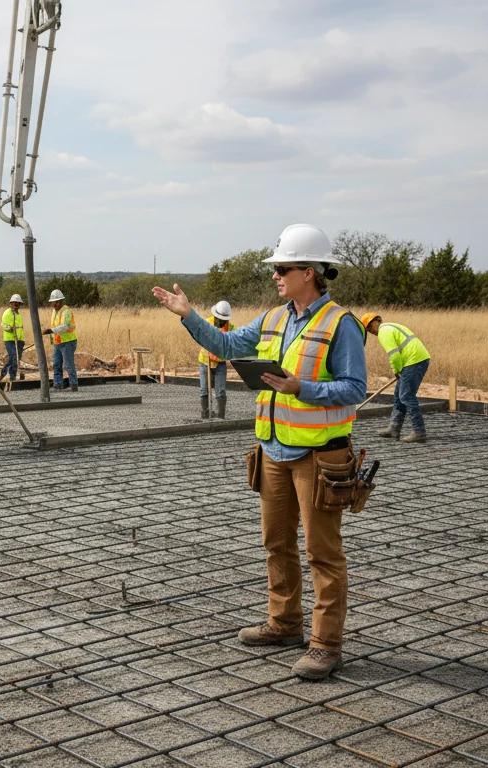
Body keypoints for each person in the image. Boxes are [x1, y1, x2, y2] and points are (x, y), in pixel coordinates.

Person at [152, 223, 368, 681]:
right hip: (273, 451)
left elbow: (355, 388)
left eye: (283, 269)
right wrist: (187, 314)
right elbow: (227, 345)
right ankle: (285, 623)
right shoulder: (274, 318)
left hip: (318, 456)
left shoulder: (340, 324)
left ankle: (326, 644)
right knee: (277, 543)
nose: (276, 276)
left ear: (309, 272)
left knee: (323, 554)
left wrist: (300, 388)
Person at [361, 313, 431, 443]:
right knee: (399, 395)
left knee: (406, 396)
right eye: (368, 330)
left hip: (414, 361)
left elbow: (394, 356)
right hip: (416, 360)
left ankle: (419, 431)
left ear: (375, 322)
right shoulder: (390, 326)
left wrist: (396, 371)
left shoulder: (383, 332)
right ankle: (394, 428)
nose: (370, 332)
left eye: (369, 328)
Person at [199, 300, 232, 419]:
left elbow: (236, 336)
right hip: (205, 361)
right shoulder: (206, 324)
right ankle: (204, 414)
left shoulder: (230, 327)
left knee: (221, 390)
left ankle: (220, 416)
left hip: (220, 363)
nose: (221, 322)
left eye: (223, 320)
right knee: (204, 390)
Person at [43, 289, 78, 391]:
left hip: (68, 342)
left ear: (61, 301)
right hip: (58, 342)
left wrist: (50, 330)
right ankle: (57, 385)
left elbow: (64, 327)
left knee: (68, 365)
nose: (55, 304)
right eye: (53, 302)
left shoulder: (66, 311)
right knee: (56, 364)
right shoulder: (54, 312)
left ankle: (73, 385)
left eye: (57, 302)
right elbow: (55, 326)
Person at [0, 294, 26, 384]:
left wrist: (22, 340)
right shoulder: (7, 313)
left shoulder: (19, 314)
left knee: (16, 359)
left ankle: (11, 376)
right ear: (11, 304)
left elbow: (20, 328)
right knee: (13, 357)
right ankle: (7, 375)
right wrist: (10, 328)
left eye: (18, 304)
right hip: (9, 339)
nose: (16, 305)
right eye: (14, 303)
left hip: (19, 340)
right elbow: (3, 325)